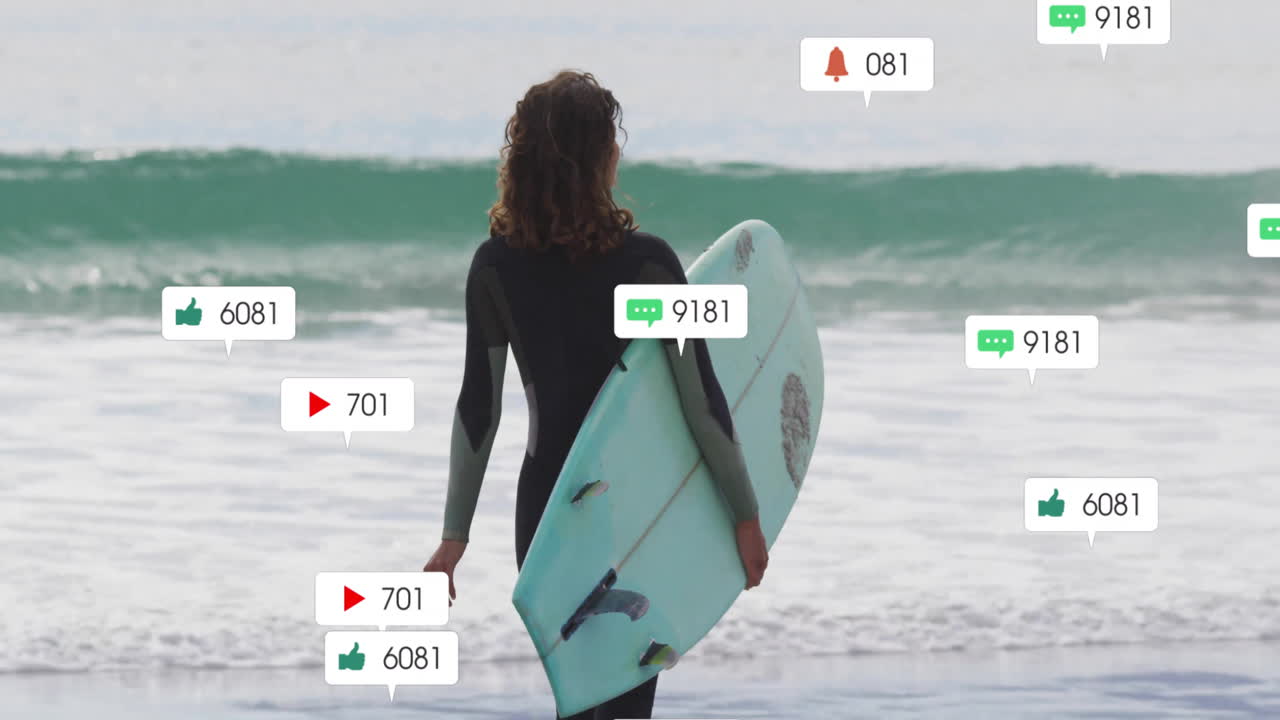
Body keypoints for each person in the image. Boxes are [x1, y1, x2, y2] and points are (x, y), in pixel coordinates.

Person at [422, 70, 769, 720]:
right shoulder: (648, 266)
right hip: (633, 509)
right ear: (598, 158)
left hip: (549, 514)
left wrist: (454, 536)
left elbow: (479, 410)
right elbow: (703, 405)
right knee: (625, 698)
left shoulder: (494, 267)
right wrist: (747, 516)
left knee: (579, 696)